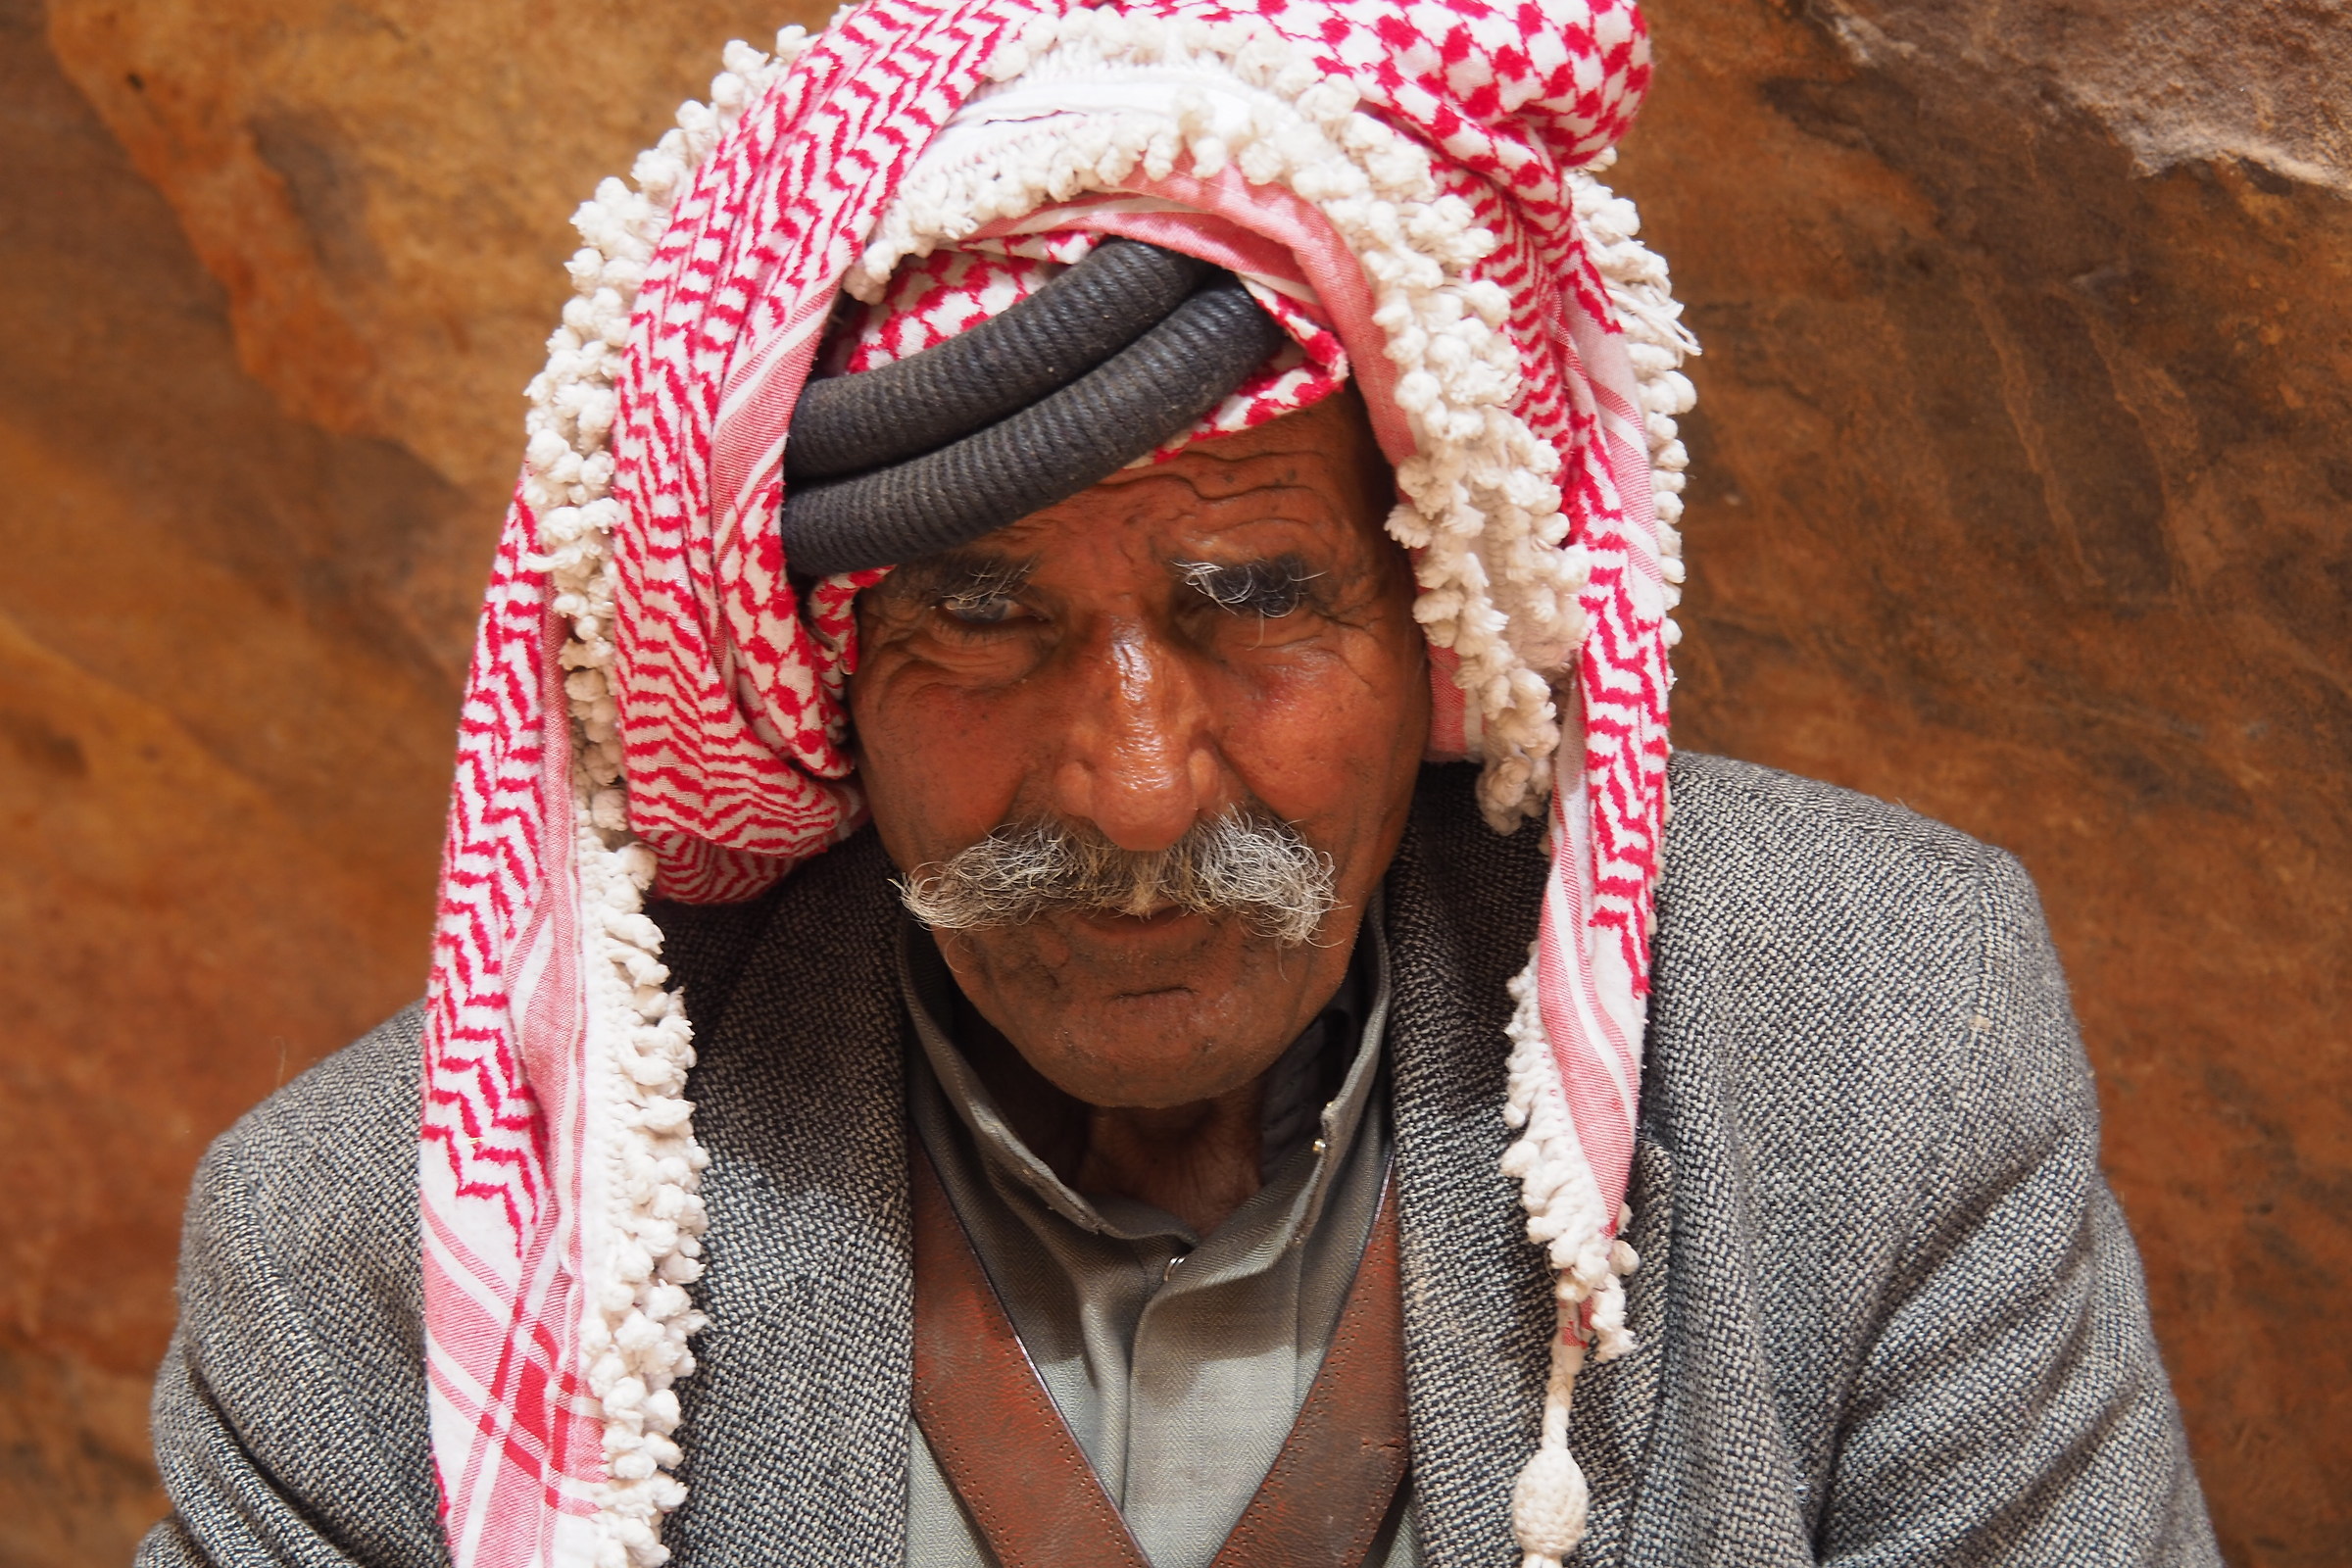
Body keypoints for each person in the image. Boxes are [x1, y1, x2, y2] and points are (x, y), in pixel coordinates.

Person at [138, 2, 2221, 1565]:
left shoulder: (1865, 1052)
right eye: (981, 614)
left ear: (1439, 623)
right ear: (822, 674)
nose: (1137, 789)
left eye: (1256, 597)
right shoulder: (372, 1262)